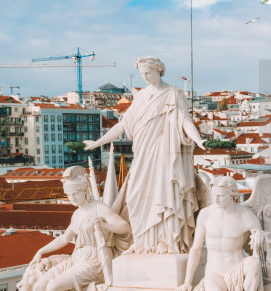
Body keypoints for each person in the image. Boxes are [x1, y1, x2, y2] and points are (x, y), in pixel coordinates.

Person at [84, 56, 204, 255]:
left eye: (148, 72)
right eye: (142, 74)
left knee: (165, 194)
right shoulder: (140, 96)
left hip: (166, 155)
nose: (145, 77)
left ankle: (168, 242)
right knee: (137, 196)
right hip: (143, 155)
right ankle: (143, 241)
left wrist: (199, 140)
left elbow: (184, 120)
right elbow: (123, 124)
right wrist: (98, 143)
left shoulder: (174, 94)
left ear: (158, 70)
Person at [9, 167, 131, 291]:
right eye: (69, 195)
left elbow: (124, 226)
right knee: (39, 286)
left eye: (74, 194)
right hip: (76, 258)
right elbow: (65, 239)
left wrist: (104, 225)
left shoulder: (100, 209)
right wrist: (40, 251)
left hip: (94, 260)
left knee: (53, 286)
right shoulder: (77, 214)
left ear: (84, 190)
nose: (72, 198)